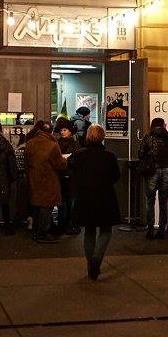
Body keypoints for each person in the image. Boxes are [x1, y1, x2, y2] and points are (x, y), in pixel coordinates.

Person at [68, 125, 121, 280]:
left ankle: (90, 261)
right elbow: (116, 176)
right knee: (106, 230)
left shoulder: (79, 155)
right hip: (105, 196)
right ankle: (97, 259)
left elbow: (71, 170)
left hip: (85, 196)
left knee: (89, 231)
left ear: (88, 136)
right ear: (103, 137)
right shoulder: (109, 156)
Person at [24, 120, 67, 243]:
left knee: (36, 207)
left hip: (34, 180)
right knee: (46, 207)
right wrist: (66, 160)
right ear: (51, 132)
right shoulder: (53, 145)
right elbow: (60, 164)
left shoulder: (30, 143)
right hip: (48, 181)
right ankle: (42, 234)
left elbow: (26, 163)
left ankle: (36, 232)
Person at [138, 117, 168, 239]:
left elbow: (140, 154)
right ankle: (161, 230)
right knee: (163, 201)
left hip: (152, 171)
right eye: (164, 124)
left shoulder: (148, 137)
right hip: (166, 171)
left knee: (150, 202)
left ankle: (150, 230)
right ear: (162, 125)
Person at [53, 117, 80, 235]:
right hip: (64, 175)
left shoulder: (71, 144)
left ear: (70, 131)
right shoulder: (61, 144)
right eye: (61, 130)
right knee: (63, 201)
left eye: (65, 130)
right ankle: (65, 224)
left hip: (68, 175)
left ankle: (67, 223)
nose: (63, 132)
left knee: (68, 201)